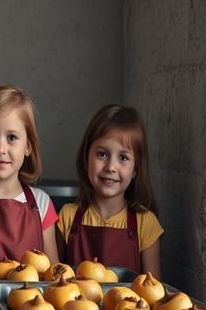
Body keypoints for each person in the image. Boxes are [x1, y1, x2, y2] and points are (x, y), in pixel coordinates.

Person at [57, 105, 162, 275]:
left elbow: (153, 287)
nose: (111, 167)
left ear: (135, 169)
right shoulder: (66, 216)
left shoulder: (146, 223)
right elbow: (52, 279)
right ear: (86, 158)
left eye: (123, 157)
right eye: (102, 154)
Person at [0, 85, 59, 265]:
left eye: (11, 138)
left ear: (28, 146)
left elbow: (53, 272)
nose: (0, 149)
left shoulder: (42, 203)